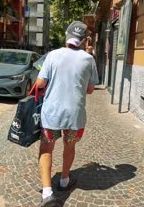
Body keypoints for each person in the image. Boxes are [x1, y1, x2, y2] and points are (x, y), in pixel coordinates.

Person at [34, 21, 99, 206]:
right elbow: (90, 89)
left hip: (52, 114)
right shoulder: (89, 59)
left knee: (47, 148)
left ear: (66, 35)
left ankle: (47, 194)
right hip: (75, 115)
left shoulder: (52, 55)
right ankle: (64, 181)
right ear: (84, 40)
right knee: (69, 147)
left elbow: (40, 84)